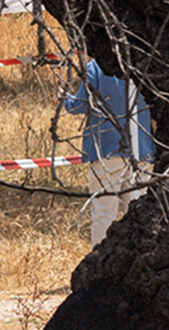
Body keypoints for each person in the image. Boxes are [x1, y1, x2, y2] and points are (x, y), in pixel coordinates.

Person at [62, 58, 155, 246]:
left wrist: (64, 98)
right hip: (141, 150)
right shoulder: (146, 63)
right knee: (138, 215)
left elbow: (80, 104)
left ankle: (100, 262)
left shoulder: (96, 67)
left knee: (104, 214)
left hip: (106, 150)